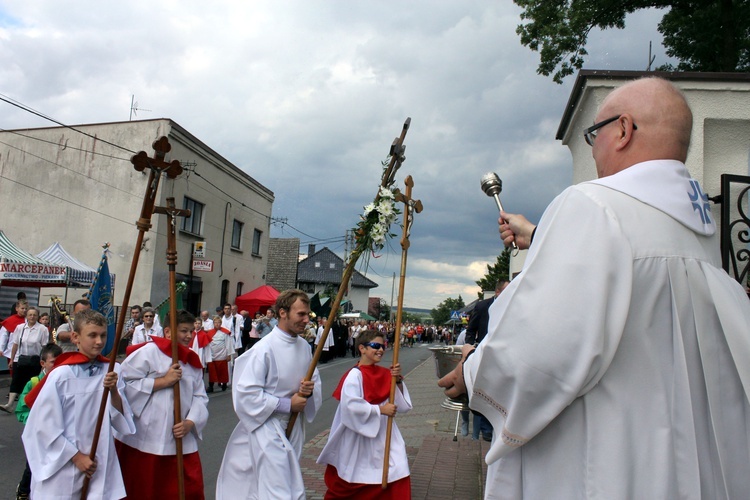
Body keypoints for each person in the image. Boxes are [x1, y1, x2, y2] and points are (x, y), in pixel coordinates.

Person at [438, 77, 750, 498]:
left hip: (607, 467)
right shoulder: (701, 234)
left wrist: (472, 373)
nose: (592, 147)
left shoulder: (590, 204)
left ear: (622, 130)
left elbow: (540, 352)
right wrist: (542, 234)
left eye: (593, 133)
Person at [216, 289, 322, 500]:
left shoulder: (304, 347)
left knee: (275, 483)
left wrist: (308, 392)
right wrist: (286, 404)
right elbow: (246, 394)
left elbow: (314, 381)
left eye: (307, 315)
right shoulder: (263, 349)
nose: (305, 320)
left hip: (293, 426)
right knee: (279, 490)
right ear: (283, 313)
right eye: (300, 314)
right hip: (266, 425)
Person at [22, 309, 134, 499]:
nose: (99, 341)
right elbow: (42, 426)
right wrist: (76, 456)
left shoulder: (112, 369)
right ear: (75, 337)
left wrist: (114, 390)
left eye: (103, 335)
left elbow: (120, 419)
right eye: (92, 335)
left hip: (99, 458)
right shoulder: (61, 375)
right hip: (63, 464)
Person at [115, 309, 209, 499]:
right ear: (168, 332)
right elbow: (124, 384)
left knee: (187, 490)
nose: (189, 336)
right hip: (147, 438)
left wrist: (191, 422)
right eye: (183, 331)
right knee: (146, 490)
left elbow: (200, 397)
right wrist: (163, 382)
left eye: (191, 331)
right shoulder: (149, 353)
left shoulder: (191, 360)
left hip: (180, 437)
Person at [317, 329, 412, 498]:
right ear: (362, 348)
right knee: (357, 475)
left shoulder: (386, 373)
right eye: (376, 346)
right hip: (359, 435)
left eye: (383, 346)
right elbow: (351, 407)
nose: (381, 350)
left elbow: (402, 406)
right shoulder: (354, 375)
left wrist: (397, 380)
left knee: (397, 467)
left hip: (384, 432)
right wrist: (379, 410)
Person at [15, 342, 62, 500]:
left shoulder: (65, 380)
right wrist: (37, 422)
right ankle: (23, 492)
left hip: (59, 435)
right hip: (38, 435)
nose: (58, 366)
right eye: (53, 362)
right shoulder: (34, 383)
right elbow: (21, 410)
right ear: (43, 363)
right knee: (32, 466)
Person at [2, 307, 49, 412]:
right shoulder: (20, 327)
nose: (32, 317)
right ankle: (9, 404)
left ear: (38, 317)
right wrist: (12, 359)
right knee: (16, 381)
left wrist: (43, 362)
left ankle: (30, 404)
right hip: (20, 358)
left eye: (34, 315)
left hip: (35, 360)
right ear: (27, 316)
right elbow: (15, 344)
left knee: (31, 382)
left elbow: (44, 347)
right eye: (30, 315)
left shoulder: (42, 329)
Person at [465, 280, 510, 345]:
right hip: (485, 348)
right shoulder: (482, 307)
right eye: (507, 291)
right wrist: (470, 348)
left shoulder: (513, 308)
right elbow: (471, 330)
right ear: (497, 292)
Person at [206, 315, 233, 393]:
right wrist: (207, 355)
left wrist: (229, 354)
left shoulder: (225, 332)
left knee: (222, 371)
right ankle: (211, 386)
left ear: (221, 323)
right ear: (213, 323)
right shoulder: (210, 332)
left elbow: (228, 343)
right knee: (211, 372)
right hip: (212, 355)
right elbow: (208, 344)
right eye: (215, 322)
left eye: (218, 322)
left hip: (222, 355)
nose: (217, 324)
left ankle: (224, 384)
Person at [0, 300, 28, 374]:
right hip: (12, 350)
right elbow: (3, 335)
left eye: (26, 309)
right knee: (13, 372)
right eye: (22, 308)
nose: (24, 310)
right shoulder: (9, 320)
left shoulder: (29, 320)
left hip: (26, 351)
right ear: (17, 309)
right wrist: (1, 348)